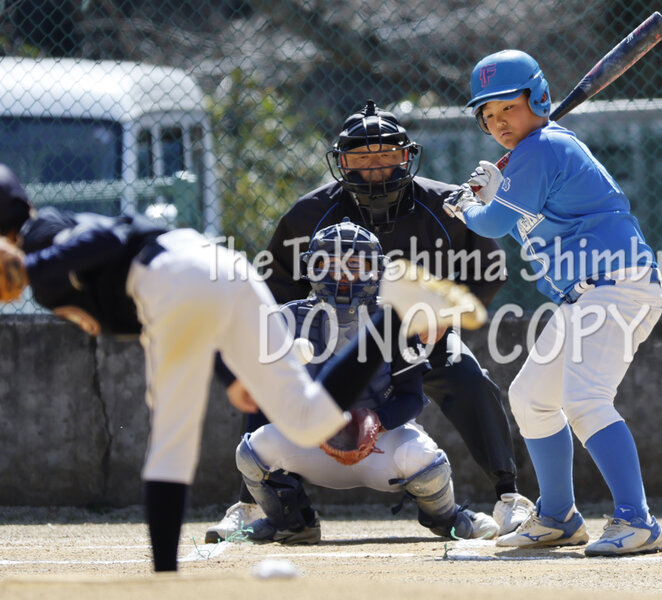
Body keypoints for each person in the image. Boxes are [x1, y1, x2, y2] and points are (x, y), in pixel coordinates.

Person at [0, 163, 485, 571]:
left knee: (170, 444)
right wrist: (232, 375)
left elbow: (112, 239)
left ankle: (163, 579)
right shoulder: (46, 270)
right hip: (222, 270)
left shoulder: (37, 237)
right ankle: (396, 310)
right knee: (308, 417)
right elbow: (190, 314)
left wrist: (29, 265)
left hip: (174, 278)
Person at [206, 100, 534, 543]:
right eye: (361, 158)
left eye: (386, 154)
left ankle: (510, 497)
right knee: (271, 372)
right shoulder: (309, 213)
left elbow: (489, 271)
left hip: (418, 335)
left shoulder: (446, 205)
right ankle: (250, 506)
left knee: (468, 376)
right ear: (342, 163)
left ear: (407, 156)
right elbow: (276, 289)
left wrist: (447, 316)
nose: (375, 167)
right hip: (330, 339)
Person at [443, 49, 662, 557]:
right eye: (488, 114)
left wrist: (470, 205)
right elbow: (526, 223)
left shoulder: (543, 147)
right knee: (532, 399)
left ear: (539, 99)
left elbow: (493, 224)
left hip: (615, 285)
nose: (499, 122)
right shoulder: (536, 152)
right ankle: (558, 517)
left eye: (509, 107)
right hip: (583, 295)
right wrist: (494, 195)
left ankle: (638, 520)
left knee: (586, 399)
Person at [236, 219, 499, 544]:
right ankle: (292, 523)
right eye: (330, 264)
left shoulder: (395, 320)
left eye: (355, 265)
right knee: (253, 449)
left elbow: (411, 397)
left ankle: (449, 519)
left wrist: (376, 422)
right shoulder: (288, 319)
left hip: (379, 446)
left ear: (376, 271)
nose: (342, 275)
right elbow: (262, 395)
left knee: (424, 459)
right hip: (311, 444)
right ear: (311, 268)